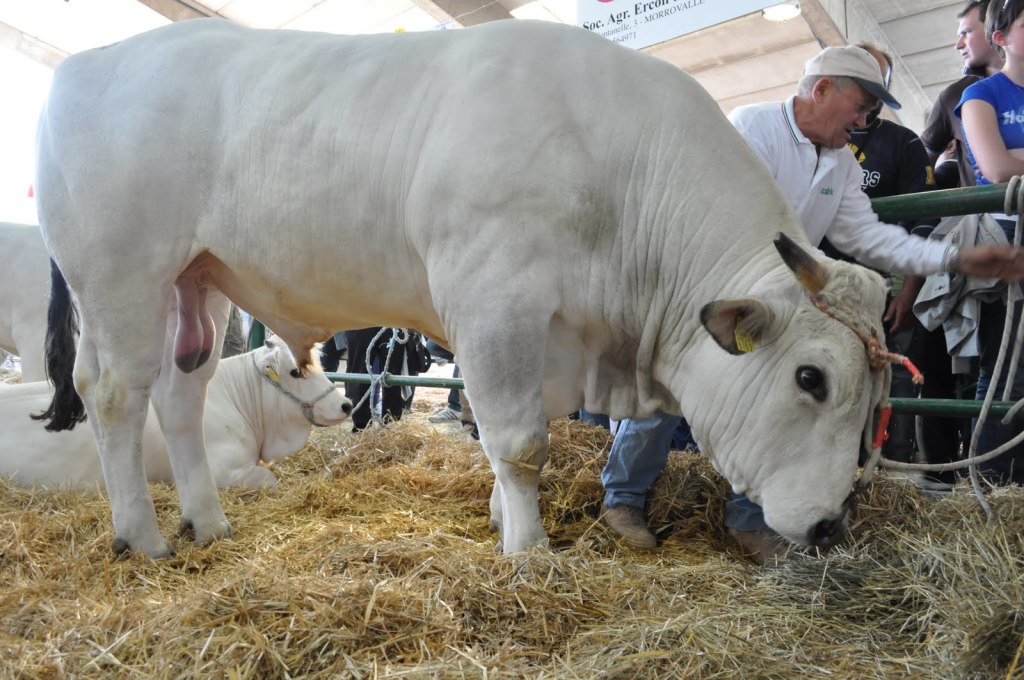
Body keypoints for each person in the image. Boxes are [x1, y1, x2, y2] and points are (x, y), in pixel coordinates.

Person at [601, 43, 1024, 559]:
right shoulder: (751, 128)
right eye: (861, 104)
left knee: (776, 405)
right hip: (706, 291)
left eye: (872, 109)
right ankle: (623, 498)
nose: (865, 118)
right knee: (669, 391)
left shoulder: (840, 162)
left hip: (784, 308)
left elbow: (867, 236)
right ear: (822, 89)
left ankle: (748, 519)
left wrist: (950, 260)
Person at [955, 0, 1024, 485]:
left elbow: (1006, 160)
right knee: (1007, 370)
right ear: (1001, 38)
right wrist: (1007, 156)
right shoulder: (983, 94)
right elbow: (996, 170)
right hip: (1009, 238)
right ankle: (992, 490)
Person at [921, 1, 1004, 188]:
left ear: (994, 27)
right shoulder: (954, 96)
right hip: (983, 213)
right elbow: (921, 166)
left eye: (966, 33)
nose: (958, 45)